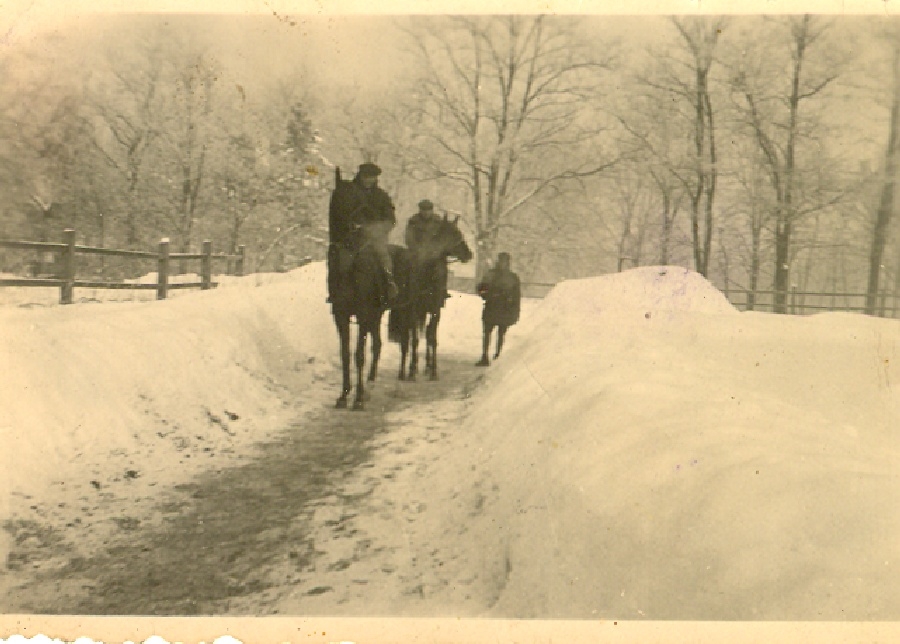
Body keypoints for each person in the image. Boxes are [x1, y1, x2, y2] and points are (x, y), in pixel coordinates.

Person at [328, 162, 398, 302]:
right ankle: (337, 293)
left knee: (384, 258)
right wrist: (350, 227)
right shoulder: (348, 192)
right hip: (351, 239)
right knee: (342, 263)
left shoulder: (381, 196)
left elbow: (390, 219)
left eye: (372, 177)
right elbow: (339, 214)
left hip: (375, 239)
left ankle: (389, 285)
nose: (369, 180)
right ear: (360, 176)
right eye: (366, 176)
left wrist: (377, 229)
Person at [476, 252, 521, 367]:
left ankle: (497, 355)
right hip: (491, 306)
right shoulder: (490, 275)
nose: (503, 264)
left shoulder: (513, 278)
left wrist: (515, 311)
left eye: (505, 262)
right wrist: (486, 295)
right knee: (487, 332)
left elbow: (517, 296)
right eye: (501, 261)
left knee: (501, 333)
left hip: (505, 308)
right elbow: (481, 289)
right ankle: (484, 356)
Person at [405, 199, 449, 299]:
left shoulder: (438, 221)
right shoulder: (413, 221)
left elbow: (443, 237)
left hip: (434, 253)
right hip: (417, 253)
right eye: (423, 210)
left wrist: (438, 249)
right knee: (408, 267)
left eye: (428, 210)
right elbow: (409, 238)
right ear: (420, 210)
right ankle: (409, 289)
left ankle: (442, 290)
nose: (426, 213)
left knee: (442, 268)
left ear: (432, 210)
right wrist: (417, 249)